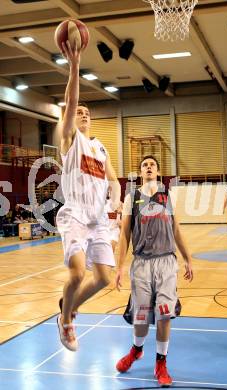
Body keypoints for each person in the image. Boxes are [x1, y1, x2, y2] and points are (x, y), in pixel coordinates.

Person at [56, 40, 121, 352]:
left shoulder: (100, 147)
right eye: (77, 111)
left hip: (99, 219)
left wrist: (118, 197)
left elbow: (113, 179)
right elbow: (71, 101)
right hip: (75, 216)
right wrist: (75, 66)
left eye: (85, 112)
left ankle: (67, 309)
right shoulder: (71, 141)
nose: (81, 113)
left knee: (103, 279)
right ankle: (66, 321)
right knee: (78, 273)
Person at [115, 155, 193, 387]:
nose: (148, 167)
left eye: (152, 165)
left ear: (158, 172)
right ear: (140, 172)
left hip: (166, 262)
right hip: (141, 263)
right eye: (144, 165)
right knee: (140, 318)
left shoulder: (168, 196)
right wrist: (119, 266)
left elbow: (176, 230)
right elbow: (124, 235)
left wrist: (188, 258)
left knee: (164, 314)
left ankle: (161, 363)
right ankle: (136, 350)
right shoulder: (132, 197)